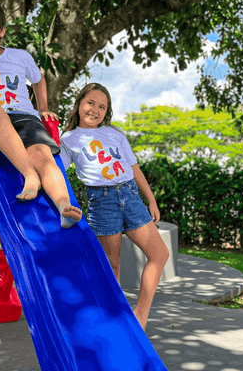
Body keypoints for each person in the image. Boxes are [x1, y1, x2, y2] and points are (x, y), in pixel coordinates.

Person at [0, 0, 82, 228]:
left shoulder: (20, 56)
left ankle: (64, 207)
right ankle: (29, 174)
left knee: (43, 154)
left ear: (2, 31)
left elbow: (39, 79)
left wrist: (42, 108)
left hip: (24, 115)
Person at [59, 83, 169, 330]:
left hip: (130, 196)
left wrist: (150, 199)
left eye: (102, 106)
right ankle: (115, 319)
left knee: (160, 254)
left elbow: (133, 168)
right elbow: (58, 173)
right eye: (90, 103)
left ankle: (139, 317)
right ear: (79, 104)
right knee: (112, 265)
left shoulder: (115, 133)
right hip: (102, 200)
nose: (95, 110)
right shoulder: (68, 139)